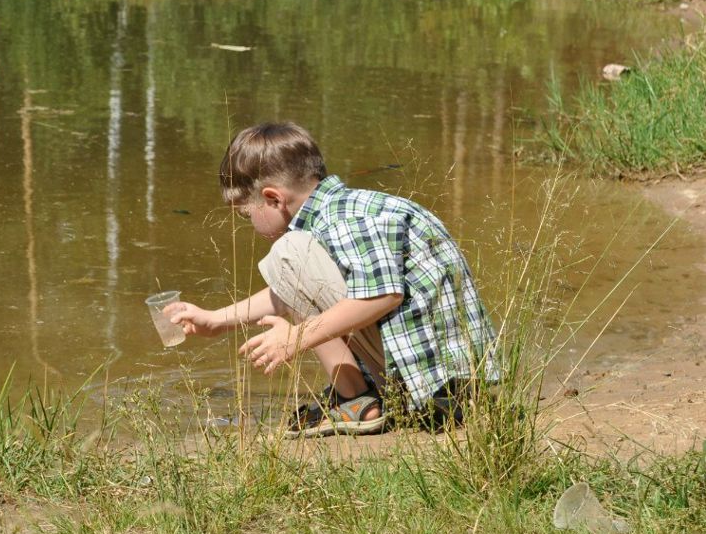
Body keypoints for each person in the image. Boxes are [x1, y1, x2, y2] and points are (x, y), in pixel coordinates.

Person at [166, 121, 497, 437]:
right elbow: (300, 290)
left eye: (246, 213)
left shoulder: (342, 220)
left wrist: (296, 337)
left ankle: (355, 401)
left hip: (433, 390)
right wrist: (216, 320)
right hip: (455, 384)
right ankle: (360, 396)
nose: (249, 224)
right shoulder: (348, 208)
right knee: (293, 259)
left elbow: (385, 296)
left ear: (273, 198)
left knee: (289, 253)